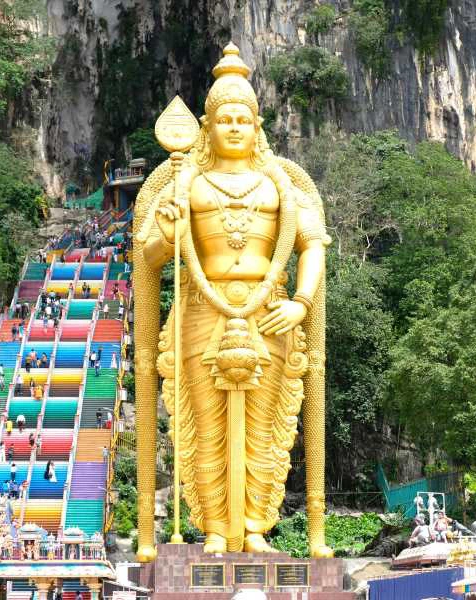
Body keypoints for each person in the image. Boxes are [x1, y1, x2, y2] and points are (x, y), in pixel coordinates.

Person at [135, 43, 332, 556]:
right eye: (225, 118)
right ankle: (215, 530)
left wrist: (302, 303)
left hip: (272, 312)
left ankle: (255, 528)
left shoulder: (282, 184)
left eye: (245, 118)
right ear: (208, 125)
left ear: (258, 125)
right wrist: (168, 227)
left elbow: (313, 247)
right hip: (203, 310)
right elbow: (151, 257)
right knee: (204, 425)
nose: (236, 127)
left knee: (265, 430)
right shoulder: (188, 181)